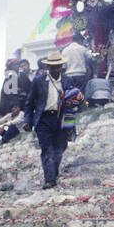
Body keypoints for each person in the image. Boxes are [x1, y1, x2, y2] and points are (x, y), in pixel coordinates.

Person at [23, 50, 73, 189]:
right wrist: (27, 120)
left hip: (61, 118)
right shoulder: (38, 81)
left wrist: (70, 125)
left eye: (58, 66)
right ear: (48, 68)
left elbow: (72, 104)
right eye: (53, 67)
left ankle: (53, 172)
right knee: (47, 149)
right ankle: (49, 179)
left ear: (61, 67)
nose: (56, 69)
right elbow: (29, 102)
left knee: (60, 148)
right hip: (44, 119)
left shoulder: (68, 80)